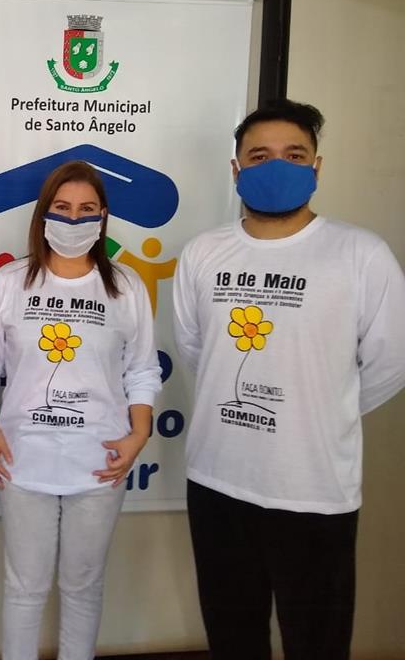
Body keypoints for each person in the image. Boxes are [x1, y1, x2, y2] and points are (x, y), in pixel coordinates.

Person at [173, 99, 405, 660]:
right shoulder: (203, 253)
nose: (276, 165)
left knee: (317, 645)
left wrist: (320, 408)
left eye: (293, 154)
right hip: (217, 481)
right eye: (260, 155)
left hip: (314, 490)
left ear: (316, 166)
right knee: (233, 640)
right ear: (236, 170)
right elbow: (197, 351)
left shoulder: (360, 255)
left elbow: (388, 363)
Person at [0, 160, 161, 660]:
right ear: (43, 214)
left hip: (100, 460)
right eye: (62, 208)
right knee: (25, 587)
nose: (74, 220)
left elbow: (142, 370)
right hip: (22, 457)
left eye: (86, 210)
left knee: (83, 587)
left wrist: (137, 434)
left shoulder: (125, 287)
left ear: (103, 217)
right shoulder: (11, 283)